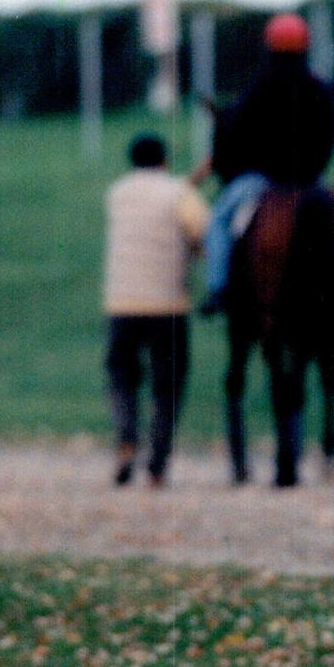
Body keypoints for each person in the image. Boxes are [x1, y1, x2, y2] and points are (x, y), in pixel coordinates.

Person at [198, 12, 334, 316]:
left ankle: (217, 289)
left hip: (263, 182)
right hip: (311, 182)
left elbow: (235, 133)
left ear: (269, 46)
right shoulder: (320, 88)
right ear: (306, 45)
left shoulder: (258, 89)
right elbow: (331, 134)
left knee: (219, 222)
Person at [103, 134, 209, 486]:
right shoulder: (180, 194)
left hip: (122, 302)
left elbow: (160, 198)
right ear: (165, 159)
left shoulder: (117, 194)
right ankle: (158, 463)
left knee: (123, 376)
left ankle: (127, 438)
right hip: (168, 305)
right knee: (168, 385)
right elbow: (201, 231)